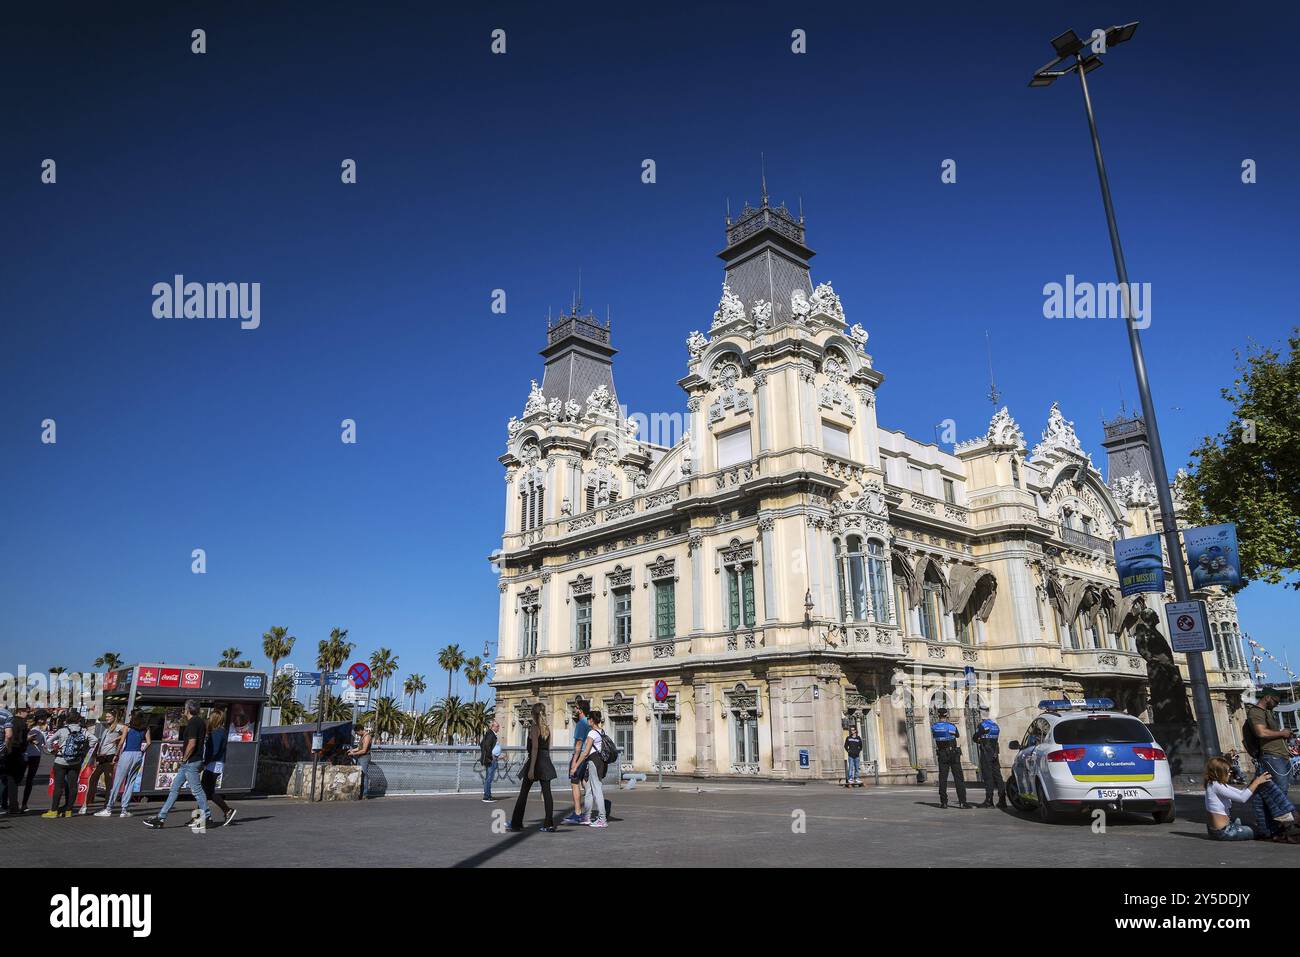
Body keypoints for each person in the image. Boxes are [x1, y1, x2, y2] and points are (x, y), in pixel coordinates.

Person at [143, 700, 211, 832]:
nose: (184, 711)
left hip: (190, 762)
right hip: (191, 762)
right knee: (174, 789)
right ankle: (161, 818)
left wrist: (184, 759)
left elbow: (192, 743)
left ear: (188, 710)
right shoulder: (200, 722)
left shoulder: (193, 723)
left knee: (196, 790)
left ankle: (206, 816)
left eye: (185, 709)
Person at [1244, 687, 1299, 841]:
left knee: (1266, 793)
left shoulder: (1267, 712)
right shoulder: (1256, 712)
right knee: (1277, 792)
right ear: (1267, 697)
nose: (1276, 704)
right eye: (1275, 701)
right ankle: (1286, 823)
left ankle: (1268, 827)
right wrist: (1282, 733)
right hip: (1271, 757)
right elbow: (1261, 732)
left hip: (1279, 756)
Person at [1204, 756, 1298, 842]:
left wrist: (1254, 782)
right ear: (1219, 772)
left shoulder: (1215, 784)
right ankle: (1285, 824)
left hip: (1222, 827)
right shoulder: (1215, 786)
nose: (1230, 773)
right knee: (1261, 830)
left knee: (1258, 824)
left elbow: (1241, 792)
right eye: (1228, 771)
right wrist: (1257, 782)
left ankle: (1282, 822)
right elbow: (1242, 798)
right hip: (1224, 832)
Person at [508, 703, 556, 833]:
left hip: (536, 762)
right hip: (546, 762)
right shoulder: (547, 729)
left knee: (523, 793)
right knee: (547, 794)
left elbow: (535, 748)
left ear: (533, 714)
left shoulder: (535, 728)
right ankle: (549, 824)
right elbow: (547, 748)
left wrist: (531, 768)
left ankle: (516, 823)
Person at [43, 710, 96, 818]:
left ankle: (53, 811)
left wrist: (52, 750)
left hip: (61, 761)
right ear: (78, 720)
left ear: (67, 719)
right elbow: (94, 740)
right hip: (75, 762)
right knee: (73, 786)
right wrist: (85, 749)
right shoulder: (83, 730)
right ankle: (68, 810)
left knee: (58, 786)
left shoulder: (62, 730)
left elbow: (48, 740)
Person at [99, 710, 150, 818]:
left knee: (118, 781)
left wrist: (116, 755)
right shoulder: (145, 728)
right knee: (130, 782)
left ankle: (109, 808)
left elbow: (122, 742)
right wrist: (142, 751)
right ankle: (124, 809)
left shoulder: (128, 727)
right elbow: (149, 742)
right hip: (138, 754)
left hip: (127, 754)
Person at [194, 707, 235, 827]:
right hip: (215, 763)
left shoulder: (217, 733)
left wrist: (205, 762)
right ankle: (198, 817)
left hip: (213, 764)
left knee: (206, 791)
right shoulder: (220, 732)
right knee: (205, 791)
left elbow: (214, 750)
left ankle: (227, 810)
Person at [83, 709, 125, 814]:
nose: (107, 719)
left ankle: (107, 806)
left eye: (109, 716)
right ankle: (86, 804)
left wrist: (119, 738)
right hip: (102, 756)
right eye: (106, 717)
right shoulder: (107, 728)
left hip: (110, 756)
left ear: (114, 717)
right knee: (93, 779)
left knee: (108, 782)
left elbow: (126, 731)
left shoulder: (118, 726)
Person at [931, 708, 970, 809]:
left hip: (942, 754)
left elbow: (935, 736)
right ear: (946, 715)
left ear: (938, 715)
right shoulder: (950, 726)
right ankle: (962, 802)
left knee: (943, 779)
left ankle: (944, 802)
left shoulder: (934, 727)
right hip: (953, 754)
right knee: (958, 778)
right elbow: (957, 735)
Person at [575, 709, 608, 828]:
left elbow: (585, 752)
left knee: (597, 789)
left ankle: (602, 819)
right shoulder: (601, 731)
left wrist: (575, 766)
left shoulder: (592, 733)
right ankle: (587, 816)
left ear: (592, 720)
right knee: (588, 789)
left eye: (589, 719)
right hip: (599, 762)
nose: (587, 720)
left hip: (594, 761)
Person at [562, 699, 591, 825]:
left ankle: (578, 813)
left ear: (581, 710)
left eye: (576, 707)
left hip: (580, 757)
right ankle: (590, 811)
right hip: (588, 756)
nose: (574, 709)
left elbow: (578, 745)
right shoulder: (589, 723)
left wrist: (574, 763)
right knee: (585, 783)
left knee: (575, 783)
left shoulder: (580, 724)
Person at [973, 709, 1006, 809]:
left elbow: (975, 738)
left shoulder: (982, 726)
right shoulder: (995, 726)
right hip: (995, 752)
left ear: (981, 715)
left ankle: (989, 801)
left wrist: (981, 740)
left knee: (988, 776)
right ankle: (1002, 800)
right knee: (998, 776)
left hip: (986, 752)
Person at [2, 707, 29, 815]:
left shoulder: (9, 719)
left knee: (6, 779)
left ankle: (5, 804)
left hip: (8, 750)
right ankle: (13, 806)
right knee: (13, 779)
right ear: (19, 711)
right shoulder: (22, 723)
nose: (28, 713)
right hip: (16, 751)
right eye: (27, 711)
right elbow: (21, 739)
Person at [20, 710, 48, 813]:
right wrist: (29, 739)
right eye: (44, 718)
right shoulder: (30, 727)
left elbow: (46, 744)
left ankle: (24, 804)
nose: (46, 720)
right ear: (39, 719)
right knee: (18, 779)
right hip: (26, 755)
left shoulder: (43, 729)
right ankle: (7, 802)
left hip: (35, 756)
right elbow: (22, 739)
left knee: (29, 780)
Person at [347, 721, 374, 799]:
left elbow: (364, 750)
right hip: (361, 757)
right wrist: (352, 750)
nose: (357, 734)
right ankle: (360, 792)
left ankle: (365, 794)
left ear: (360, 730)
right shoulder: (363, 736)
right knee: (360, 775)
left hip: (364, 757)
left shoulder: (367, 737)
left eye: (357, 733)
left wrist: (353, 754)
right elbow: (359, 748)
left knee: (364, 775)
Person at [479, 720, 501, 802]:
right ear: (492, 727)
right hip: (491, 760)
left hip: (492, 759)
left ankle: (488, 795)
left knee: (489, 778)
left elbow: (482, 744)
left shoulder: (491, 734)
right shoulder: (491, 734)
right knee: (489, 778)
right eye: (497, 726)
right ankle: (487, 796)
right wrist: (491, 756)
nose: (498, 727)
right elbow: (486, 746)